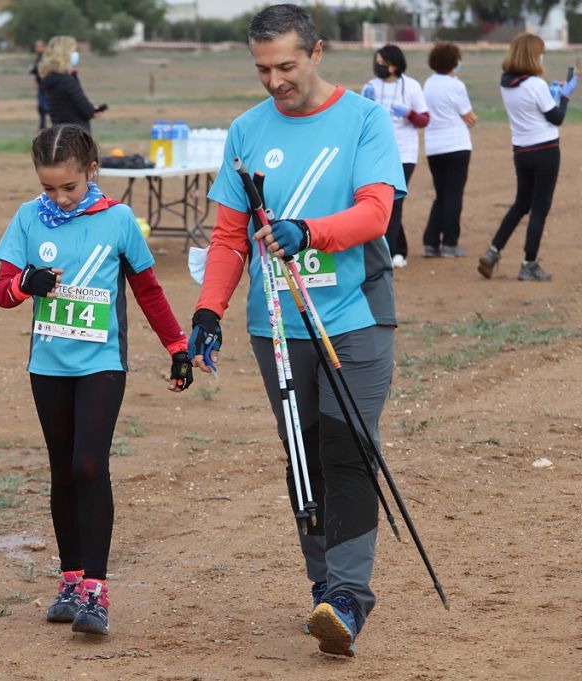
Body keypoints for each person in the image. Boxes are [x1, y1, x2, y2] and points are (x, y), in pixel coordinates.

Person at [188, 4, 405, 658]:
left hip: (354, 318)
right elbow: (229, 238)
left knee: (348, 452)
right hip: (275, 325)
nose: (275, 80)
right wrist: (207, 311)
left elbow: (376, 213)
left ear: (316, 53)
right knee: (304, 458)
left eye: (285, 65)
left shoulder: (365, 118)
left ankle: (346, 597)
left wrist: (307, 231)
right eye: (262, 69)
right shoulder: (247, 131)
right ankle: (325, 588)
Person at [0, 124, 192, 637]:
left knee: (88, 464)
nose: (58, 198)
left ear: (92, 171)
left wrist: (177, 347)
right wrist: (23, 284)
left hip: (102, 363)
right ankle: (70, 580)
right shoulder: (27, 219)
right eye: (49, 188)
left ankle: (97, 593)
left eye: (69, 187)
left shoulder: (120, 220)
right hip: (48, 365)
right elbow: (1, 292)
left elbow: (147, 290)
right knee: (62, 469)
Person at [478, 33, 576, 281]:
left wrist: (553, 98)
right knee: (539, 208)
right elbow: (557, 118)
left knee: (522, 203)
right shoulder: (536, 84)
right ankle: (529, 264)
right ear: (534, 55)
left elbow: (536, 110)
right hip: (545, 150)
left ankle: (493, 251)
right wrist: (564, 96)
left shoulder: (507, 83)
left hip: (521, 151)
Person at [360, 44, 428, 268]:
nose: (378, 67)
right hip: (378, 153)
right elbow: (361, 120)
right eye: (376, 62)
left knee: (395, 201)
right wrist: (366, 103)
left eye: (383, 63)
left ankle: (389, 253)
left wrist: (409, 113)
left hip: (405, 153)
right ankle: (398, 249)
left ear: (395, 65)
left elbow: (425, 120)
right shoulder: (370, 86)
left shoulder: (411, 87)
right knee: (383, 201)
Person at [421, 42, 476, 259]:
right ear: (454, 62)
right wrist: (472, 119)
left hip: (434, 146)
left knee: (441, 195)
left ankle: (431, 242)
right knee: (454, 195)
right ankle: (450, 243)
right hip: (456, 144)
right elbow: (468, 115)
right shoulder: (456, 85)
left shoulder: (428, 84)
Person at [39, 36, 101, 132]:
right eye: (74, 50)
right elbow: (87, 110)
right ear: (65, 54)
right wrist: (94, 110)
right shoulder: (68, 81)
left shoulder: (49, 80)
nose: (76, 54)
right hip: (77, 136)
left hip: (59, 133)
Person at [29, 39, 48, 129]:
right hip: (41, 85)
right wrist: (35, 81)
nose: (36, 48)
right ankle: (43, 123)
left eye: (38, 46)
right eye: (36, 46)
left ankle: (45, 123)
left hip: (47, 85)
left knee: (44, 105)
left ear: (43, 47)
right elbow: (34, 71)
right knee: (41, 106)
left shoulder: (46, 58)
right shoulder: (37, 58)